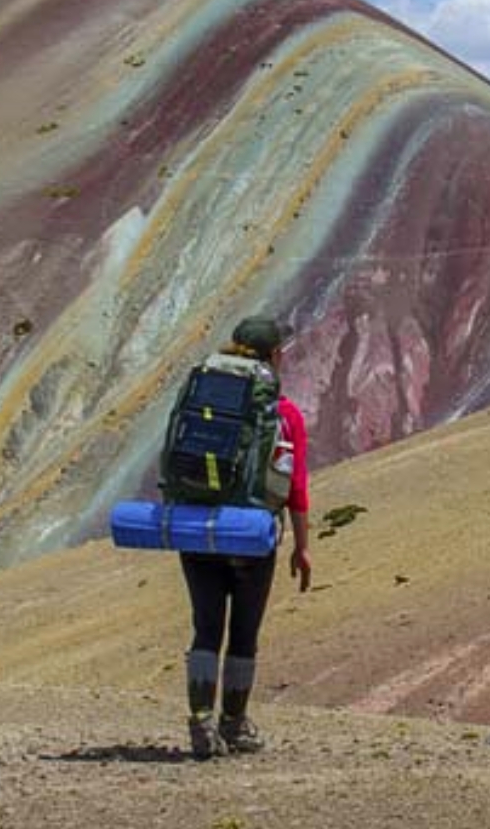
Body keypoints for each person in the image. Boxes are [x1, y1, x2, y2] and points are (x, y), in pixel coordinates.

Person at [182, 315, 311, 759]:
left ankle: (200, 722)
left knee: (206, 627)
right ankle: (233, 724)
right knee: (242, 633)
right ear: (275, 356)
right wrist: (303, 547)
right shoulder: (284, 414)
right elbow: (295, 488)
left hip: (198, 530)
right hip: (251, 535)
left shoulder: (205, 401)